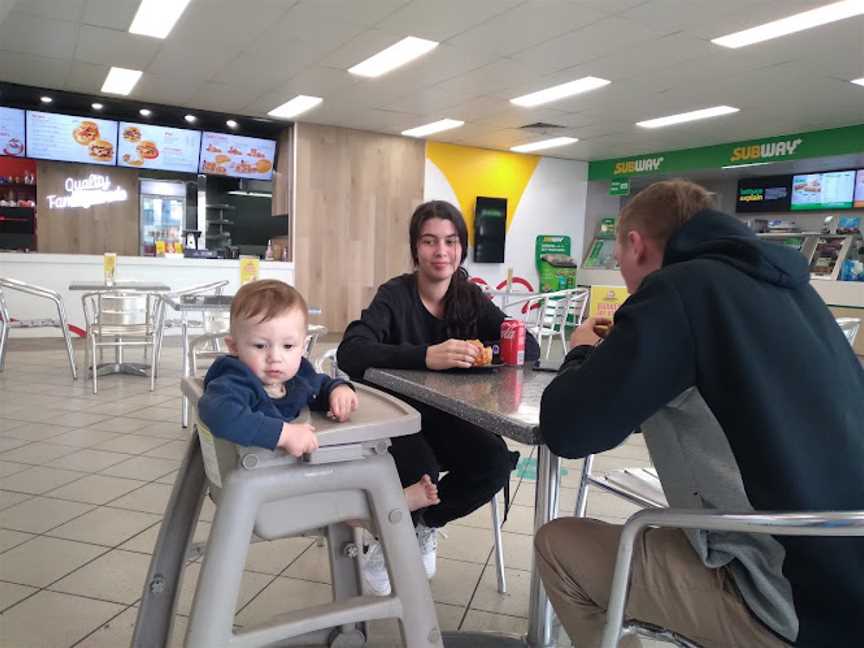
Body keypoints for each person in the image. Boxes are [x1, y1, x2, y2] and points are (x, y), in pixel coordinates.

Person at [535, 179, 864, 647]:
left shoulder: (678, 290)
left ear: (635, 245)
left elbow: (569, 429)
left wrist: (582, 352)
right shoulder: (796, 293)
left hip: (790, 603)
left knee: (559, 546)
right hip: (845, 576)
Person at [337, 200, 540, 595]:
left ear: (462, 248)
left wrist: (483, 352)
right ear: (416, 249)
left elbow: (525, 346)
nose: (441, 252)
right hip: (396, 415)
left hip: (449, 415)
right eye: (430, 242)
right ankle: (395, 531)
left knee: (494, 462)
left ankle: (421, 525)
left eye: (450, 241)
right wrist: (426, 355)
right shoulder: (395, 295)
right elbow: (352, 351)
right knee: (423, 469)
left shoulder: (470, 298)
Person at [198, 280, 440, 519]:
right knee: (359, 467)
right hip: (264, 486)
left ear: (303, 347)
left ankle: (382, 506)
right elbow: (221, 415)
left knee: (359, 457)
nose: (275, 357)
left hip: (284, 474)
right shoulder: (234, 382)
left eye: (288, 346)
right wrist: (284, 434)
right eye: (260, 346)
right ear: (234, 347)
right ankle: (387, 506)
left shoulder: (296, 374)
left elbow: (318, 385)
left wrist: (338, 390)